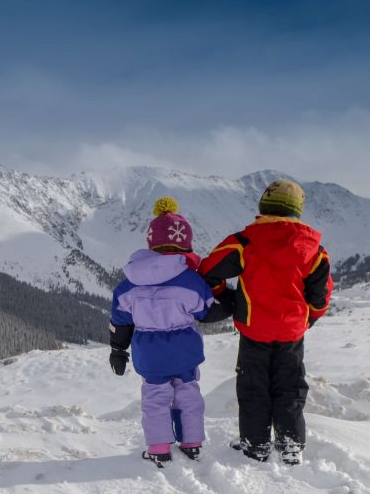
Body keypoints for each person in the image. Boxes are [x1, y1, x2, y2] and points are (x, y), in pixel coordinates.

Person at [197, 178, 332, 465]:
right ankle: (291, 444)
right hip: (291, 333)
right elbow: (321, 297)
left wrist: (229, 299)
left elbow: (209, 271)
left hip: (254, 330)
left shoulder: (244, 243)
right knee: (290, 387)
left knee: (253, 387)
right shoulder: (314, 250)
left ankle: (255, 445)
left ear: (263, 206)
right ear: (298, 211)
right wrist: (306, 319)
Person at [109, 197, 225, 467]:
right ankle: (192, 443)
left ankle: (159, 448)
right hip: (184, 347)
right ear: (185, 243)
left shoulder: (128, 285)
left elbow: (120, 321)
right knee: (188, 394)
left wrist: (117, 350)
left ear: (152, 243)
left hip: (149, 351)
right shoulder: (190, 280)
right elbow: (206, 311)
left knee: (155, 398)